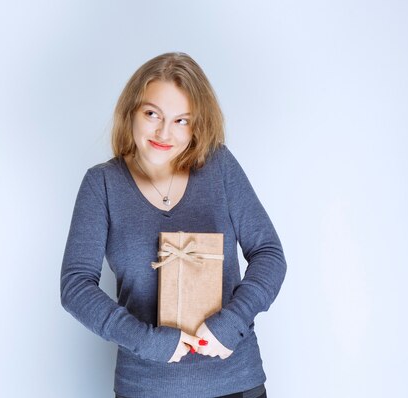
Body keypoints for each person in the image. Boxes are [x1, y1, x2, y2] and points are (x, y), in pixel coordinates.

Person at [60, 52, 286, 398]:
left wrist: (233, 322)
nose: (164, 132)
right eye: (153, 114)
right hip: (146, 387)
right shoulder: (102, 185)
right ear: (131, 112)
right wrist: (147, 342)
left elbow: (269, 253)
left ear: (198, 125)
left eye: (182, 120)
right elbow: (76, 286)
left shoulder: (220, 167)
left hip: (236, 382)